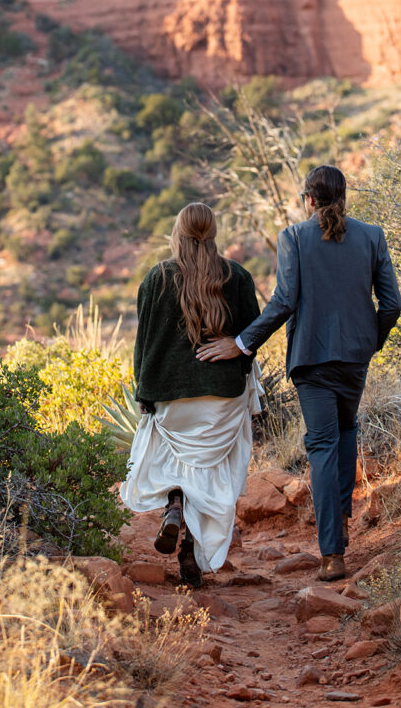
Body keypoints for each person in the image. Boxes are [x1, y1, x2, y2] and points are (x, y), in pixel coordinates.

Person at [197, 165, 401, 582]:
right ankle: (340, 525)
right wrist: (369, 341)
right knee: (346, 433)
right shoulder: (372, 236)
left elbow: (284, 300)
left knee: (323, 446)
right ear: (343, 198)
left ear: (308, 199)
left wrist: (240, 343)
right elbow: (392, 304)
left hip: (312, 359)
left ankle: (332, 554)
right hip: (354, 359)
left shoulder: (293, 237)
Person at [120, 202, 262, 589]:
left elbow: (144, 344)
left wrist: (145, 393)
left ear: (177, 232)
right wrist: (235, 345)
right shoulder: (238, 277)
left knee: (173, 459)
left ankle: (175, 505)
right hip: (223, 399)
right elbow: (255, 335)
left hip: (171, 397)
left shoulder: (156, 278)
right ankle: (192, 553)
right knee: (212, 471)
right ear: (214, 233)